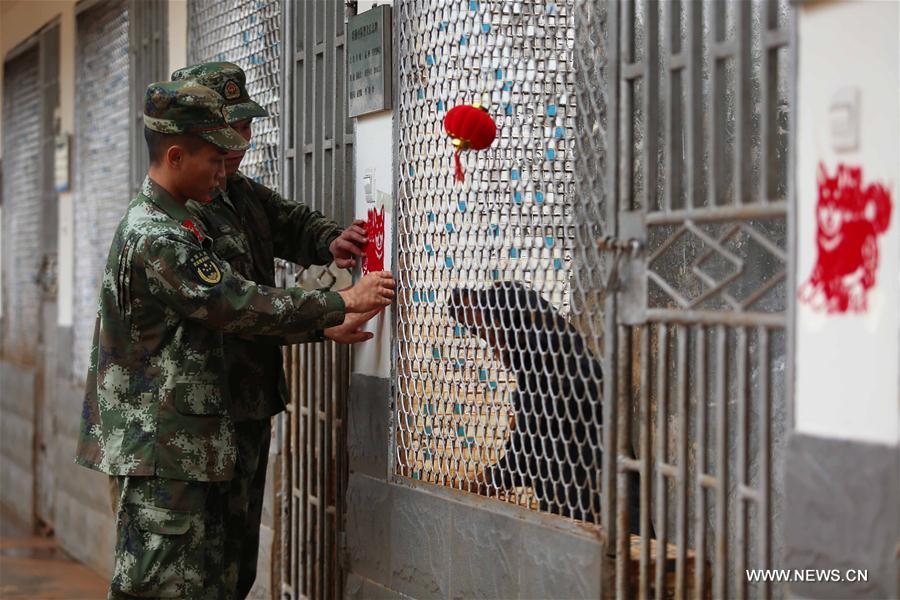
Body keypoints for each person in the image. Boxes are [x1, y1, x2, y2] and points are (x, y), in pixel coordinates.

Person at [74, 80, 394, 599]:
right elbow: (235, 301)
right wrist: (342, 301)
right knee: (163, 590)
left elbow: (228, 312)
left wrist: (319, 321)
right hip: (164, 454)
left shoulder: (180, 217)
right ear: (176, 156)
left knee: (214, 584)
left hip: (189, 447)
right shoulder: (160, 235)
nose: (226, 170)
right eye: (214, 161)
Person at [170, 61, 374, 597]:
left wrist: (332, 239)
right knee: (193, 569)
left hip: (248, 401)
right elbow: (238, 304)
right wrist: (332, 310)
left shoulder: (237, 190)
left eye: (245, 125)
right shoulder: (180, 211)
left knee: (236, 564)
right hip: (197, 416)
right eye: (228, 128)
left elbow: (287, 220)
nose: (241, 139)